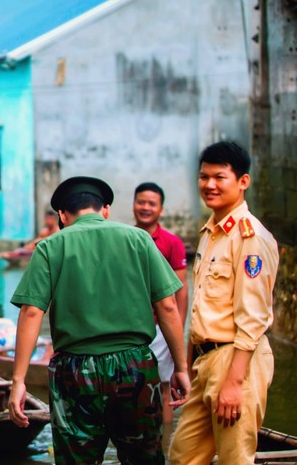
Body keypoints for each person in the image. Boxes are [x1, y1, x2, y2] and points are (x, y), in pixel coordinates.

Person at [8, 176, 191, 464]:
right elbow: (168, 306)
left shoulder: (49, 247)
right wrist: (181, 367)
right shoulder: (139, 239)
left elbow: (31, 312)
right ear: (105, 210)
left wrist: (19, 381)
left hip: (75, 371)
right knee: (143, 457)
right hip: (135, 366)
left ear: (62, 215)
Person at [169, 141, 279, 464]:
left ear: (243, 181)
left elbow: (254, 317)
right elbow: (201, 308)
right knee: (183, 456)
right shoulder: (210, 233)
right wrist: (187, 368)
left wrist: (234, 382)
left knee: (234, 458)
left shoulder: (250, 237)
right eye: (204, 177)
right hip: (206, 362)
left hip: (237, 360)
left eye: (220, 177)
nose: (209, 185)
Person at [132, 181, 189, 449]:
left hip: (160, 327)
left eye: (151, 203)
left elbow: (181, 290)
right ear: (133, 204)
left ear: (161, 209)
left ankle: (163, 445)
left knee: (164, 388)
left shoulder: (172, 243)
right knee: (130, 389)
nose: (145, 207)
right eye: (141, 202)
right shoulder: (126, 238)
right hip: (131, 327)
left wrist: (177, 328)